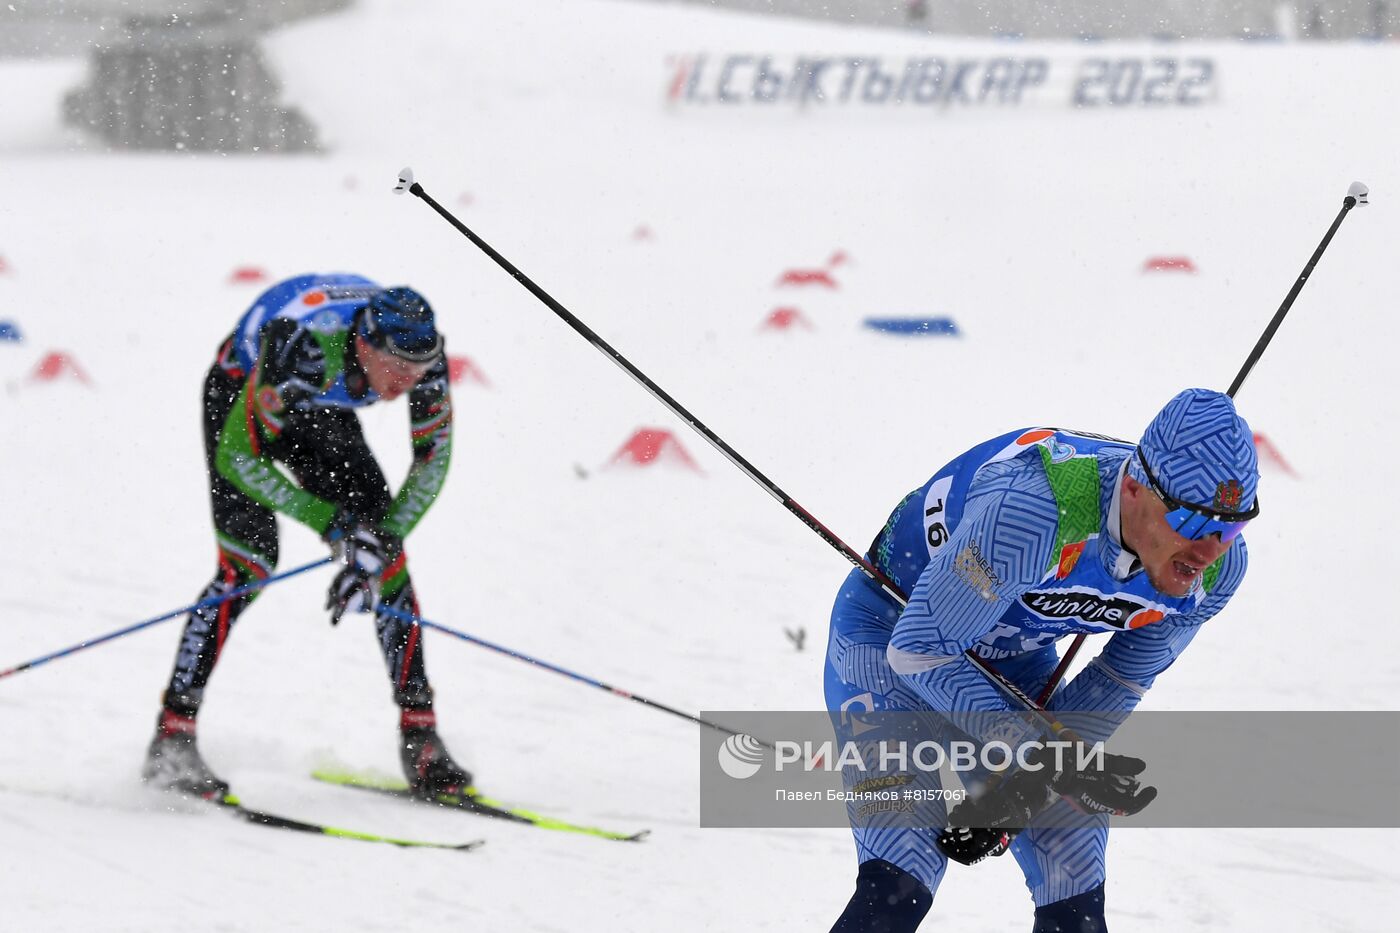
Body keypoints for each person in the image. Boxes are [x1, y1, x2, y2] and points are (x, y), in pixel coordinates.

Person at [825, 389, 1259, 931]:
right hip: (892, 634)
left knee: (1074, 876)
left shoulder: (1218, 571)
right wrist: (1043, 756)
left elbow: (1121, 678)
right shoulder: (1033, 516)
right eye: (1195, 524)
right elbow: (918, 651)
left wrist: (1024, 787)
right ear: (1132, 489)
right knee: (903, 876)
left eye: (1233, 526)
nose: (1208, 550)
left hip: (1010, 663)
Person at [141, 273, 467, 800]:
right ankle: (173, 735)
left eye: (420, 370)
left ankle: (421, 736)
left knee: (386, 561)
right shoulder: (303, 347)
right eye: (399, 369)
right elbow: (238, 457)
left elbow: (434, 458)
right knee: (248, 566)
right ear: (365, 344)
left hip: (323, 407)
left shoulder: (422, 356)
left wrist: (381, 538)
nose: (409, 382)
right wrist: (331, 524)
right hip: (243, 391)